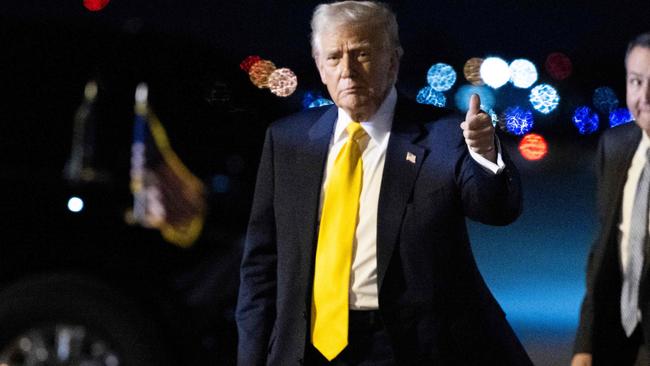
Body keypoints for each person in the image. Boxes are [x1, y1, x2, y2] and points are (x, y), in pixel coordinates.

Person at [236, 1, 532, 364]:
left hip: (408, 348)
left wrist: (486, 154)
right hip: (307, 348)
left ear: (392, 60)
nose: (347, 70)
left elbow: (496, 209)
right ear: (319, 65)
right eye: (333, 57)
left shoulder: (442, 135)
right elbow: (261, 266)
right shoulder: (287, 140)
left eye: (361, 54)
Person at [572, 32, 650, 366]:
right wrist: (584, 344)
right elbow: (602, 251)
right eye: (636, 81)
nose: (645, 96)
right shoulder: (616, 146)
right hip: (614, 332)